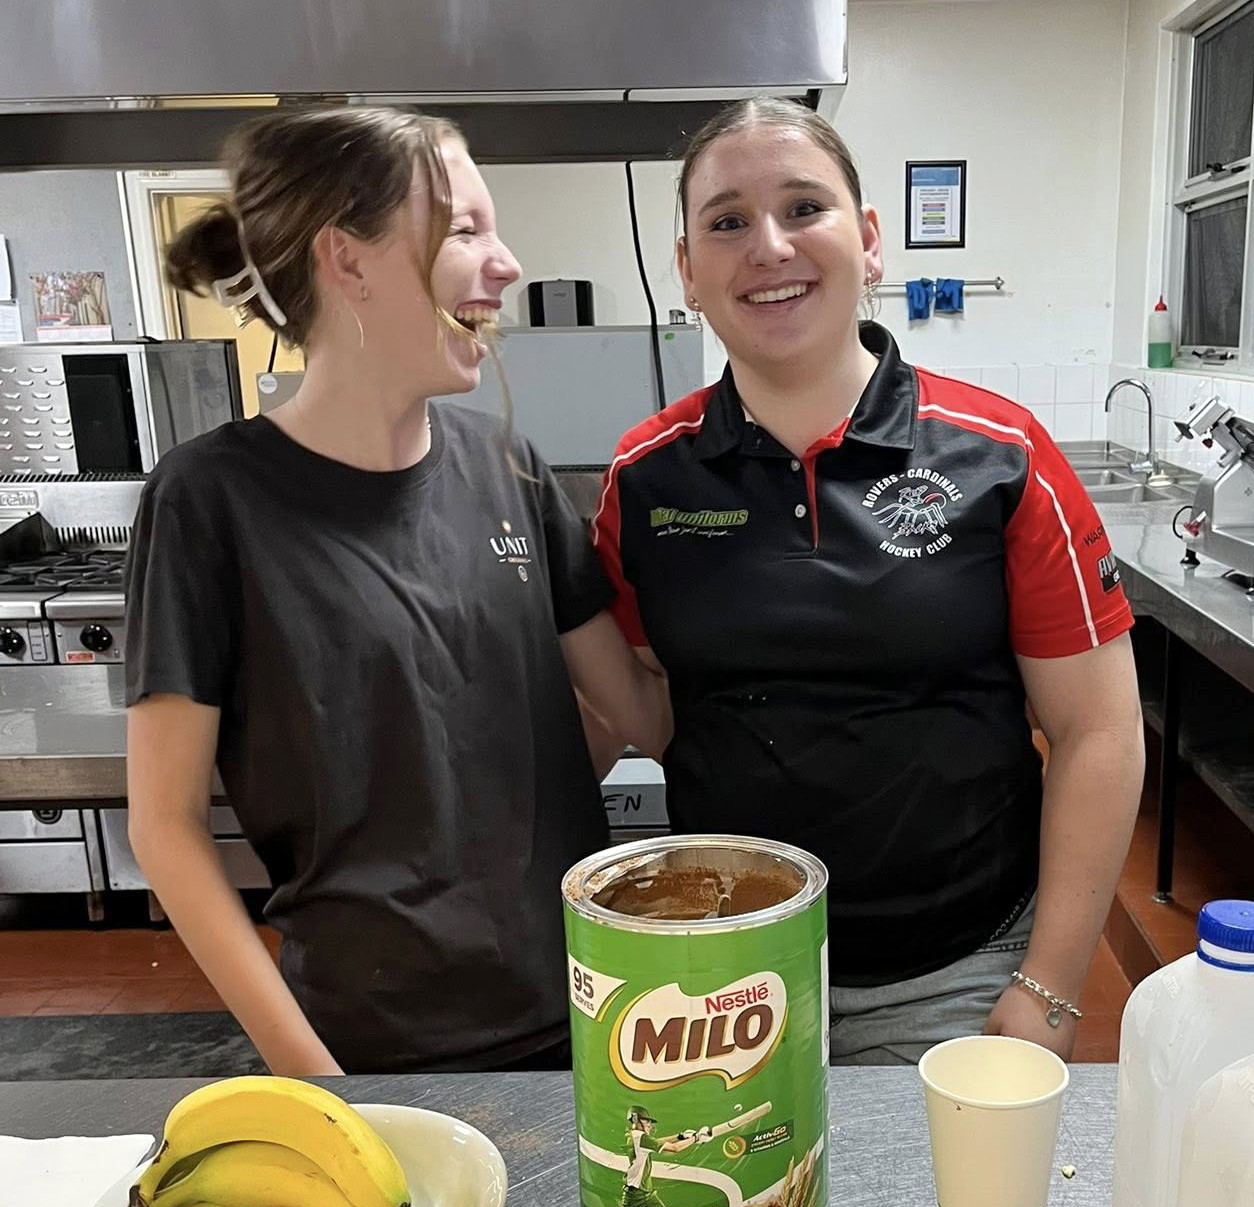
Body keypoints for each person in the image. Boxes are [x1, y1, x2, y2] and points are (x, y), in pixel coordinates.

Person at [592, 98, 1145, 1064]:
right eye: (726, 221)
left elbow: (1100, 728)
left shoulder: (1003, 455)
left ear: (871, 240)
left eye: (804, 207)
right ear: (687, 270)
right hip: (722, 976)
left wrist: (1050, 987)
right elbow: (642, 710)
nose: (768, 246)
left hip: (954, 971)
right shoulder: (644, 478)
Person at [126, 106, 668, 1076]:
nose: (506, 264)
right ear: (349, 259)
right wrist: (319, 1080)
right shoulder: (209, 501)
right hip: (365, 1050)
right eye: (465, 229)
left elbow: (634, 711)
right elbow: (163, 828)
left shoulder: (509, 463)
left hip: (590, 1013)